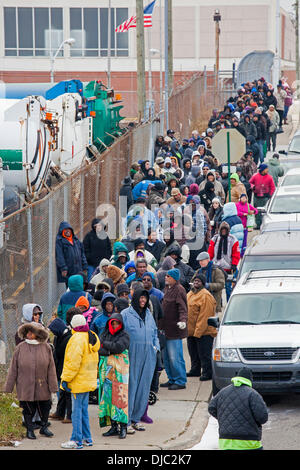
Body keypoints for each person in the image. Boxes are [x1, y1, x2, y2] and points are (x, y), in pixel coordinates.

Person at [5, 321, 58, 440]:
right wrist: (8, 387)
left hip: (42, 384)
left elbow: (51, 369)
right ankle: (30, 430)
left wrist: (53, 387)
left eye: (32, 331)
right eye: (27, 331)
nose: (29, 334)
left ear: (38, 333)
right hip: (25, 385)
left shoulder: (46, 348)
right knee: (28, 408)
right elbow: (13, 368)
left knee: (45, 406)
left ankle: (44, 427)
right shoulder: (20, 348)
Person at [121, 289, 160, 433]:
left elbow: (155, 332)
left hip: (148, 355)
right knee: (131, 387)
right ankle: (126, 420)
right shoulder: (126, 314)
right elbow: (120, 333)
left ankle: (136, 419)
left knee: (143, 388)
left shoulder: (149, 314)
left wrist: (156, 348)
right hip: (132, 355)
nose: (143, 300)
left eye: (145, 298)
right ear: (135, 298)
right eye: (141, 298)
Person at [60, 314, 100, 449]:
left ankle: (76, 439)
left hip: (78, 382)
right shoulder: (91, 336)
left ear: (73, 326)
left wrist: (65, 379)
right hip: (88, 381)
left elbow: (73, 363)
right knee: (83, 411)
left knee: (76, 412)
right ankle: (87, 438)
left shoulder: (76, 339)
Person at [208, 367, 268, 451]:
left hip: (225, 442)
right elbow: (262, 417)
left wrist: (224, 418)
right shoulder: (252, 394)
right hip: (248, 442)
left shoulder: (223, 392)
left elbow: (211, 407)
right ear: (250, 379)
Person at [98, 313, 130, 440]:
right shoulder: (105, 334)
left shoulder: (125, 335)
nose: (115, 325)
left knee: (120, 399)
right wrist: (111, 350)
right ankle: (113, 427)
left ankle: (123, 427)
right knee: (108, 399)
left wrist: (106, 347)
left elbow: (119, 347)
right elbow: (98, 349)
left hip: (120, 374)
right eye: (113, 323)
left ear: (121, 324)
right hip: (107, 373)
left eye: (117, 323)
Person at [161, 269, 188, 390]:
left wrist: (183, 321)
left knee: (175, 357)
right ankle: (171, 378)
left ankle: (180, 380)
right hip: (165, 329)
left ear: (174, 278)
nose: (166, 277)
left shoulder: (179, 290)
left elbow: (183, 308)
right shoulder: (167, 288)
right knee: (166, 357)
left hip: (174, 331)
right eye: (166, 275)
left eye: (168, 276)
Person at [187, 274, 217, 380]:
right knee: (193, 353)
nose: (196, 283)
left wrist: (198, 332)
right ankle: (195, 370)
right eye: (195, 281)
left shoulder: (206, 295)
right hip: (191, 331)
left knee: (204, 354)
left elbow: (205, 316)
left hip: (204, 332)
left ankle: (207, 373)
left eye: (199, 281)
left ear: (203, 284)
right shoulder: (190, 293)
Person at [207, 221, 241, 301]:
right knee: (218, 288)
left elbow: (236, 253)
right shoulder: (215, 239)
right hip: (216, 268)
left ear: (228, 230)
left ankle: (229, 302)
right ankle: (219, 303)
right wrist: (209, 263)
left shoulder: (233, 240)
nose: (224, 232)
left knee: (228, 288)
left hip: (228, 268)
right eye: (222, 230)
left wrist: (234, 264)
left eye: (225, 230)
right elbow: (210, 253)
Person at [249, 164, 276, 229]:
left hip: (265, 197)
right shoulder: (255, 176)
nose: (267, 170)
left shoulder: (269, 177)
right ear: (262, 170)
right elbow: (250, 183)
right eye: (266, 169)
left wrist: (270, 195)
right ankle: (258, 225)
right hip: (257, 197)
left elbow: (273, 187)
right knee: (257, 211)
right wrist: (253, 187)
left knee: (265, 212)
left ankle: (264, 225)